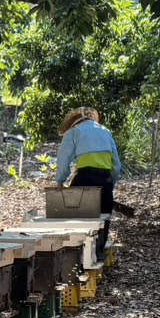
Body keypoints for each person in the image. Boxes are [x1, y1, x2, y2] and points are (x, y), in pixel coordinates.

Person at [54, 107, 121, 257]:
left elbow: (64, 160)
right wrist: (110, 184)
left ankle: (78, 255)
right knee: (104, 218)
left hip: (84, 178)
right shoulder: (105, 131)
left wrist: (60, 181)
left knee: (77, 217)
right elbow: (116, 165)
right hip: (105, 180)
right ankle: (98, 252)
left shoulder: (74, 132)